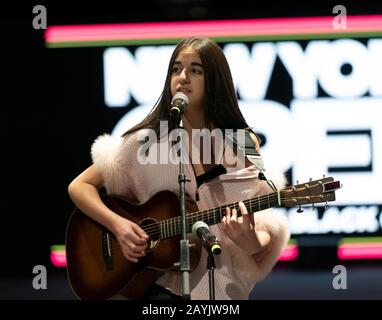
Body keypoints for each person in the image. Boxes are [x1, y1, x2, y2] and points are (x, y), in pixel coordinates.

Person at [68, 37, 290, 300]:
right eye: (176, 69)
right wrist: (119, 226)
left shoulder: (241, 142)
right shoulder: (145, 143)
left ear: (215, 80)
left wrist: (250, 240)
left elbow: (260, 227)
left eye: (195, 70)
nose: (183, 77)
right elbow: (79, 186)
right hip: (158, 288)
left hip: (220, 289)